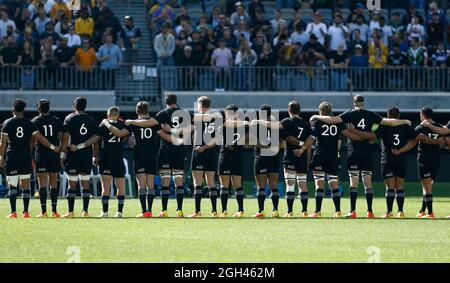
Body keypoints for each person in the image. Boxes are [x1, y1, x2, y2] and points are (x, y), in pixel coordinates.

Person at [310, 96, 412, 218]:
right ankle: (370, 211)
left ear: (354, 103)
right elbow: (389, 121)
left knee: (354, 182)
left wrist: (315, 116)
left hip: (353, 151)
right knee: (367, 182)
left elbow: (332, 120)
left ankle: (352, 211)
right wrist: (405, 121)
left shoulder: (349, 113)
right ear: (363, 103)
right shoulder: (370, 114)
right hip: (367, 152)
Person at [349, 107, 442, 218]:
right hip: (401, 159)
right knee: (400, 187)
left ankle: (389, 212)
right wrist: (435, 141)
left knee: (390, 187)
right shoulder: (405, 126)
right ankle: (400, 211)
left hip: (387, 159)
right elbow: (419, 137)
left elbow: (371, 137)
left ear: (388, 116)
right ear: (398, 116)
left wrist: (354, 131)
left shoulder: (384, 126)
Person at [126, 93, 192, 218]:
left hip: (165, 151)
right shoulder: (185, 113)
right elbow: (192, 128)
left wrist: (131, 121)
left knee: (165, 182)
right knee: (179, 181)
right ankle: (179, 210)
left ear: (165, 102)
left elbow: (150, 124)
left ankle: (164, 210)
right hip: (180, 151)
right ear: (176, 101)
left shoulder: (162, 114)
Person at [309, 102, 373, 218]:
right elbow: (349, 136)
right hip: (333, 156)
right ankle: (338, 211)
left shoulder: (316, 121)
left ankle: (317, 211)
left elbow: (311, 137)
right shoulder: (338, 123)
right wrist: (364, 137)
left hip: (319, 155)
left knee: (319, 184)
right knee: (333, 183)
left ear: (320, 111)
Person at [253, 101, 315, 218]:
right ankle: (304, 211)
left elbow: (275, 127)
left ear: (288, 109)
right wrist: (306, 157)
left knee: (290, 184)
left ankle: (289, 212)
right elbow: (310, 141)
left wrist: (256, 121)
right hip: (301, 157)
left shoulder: (286, 122)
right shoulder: (306, 124)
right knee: (302, 184)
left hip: (291, 156)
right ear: (299, 110)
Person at [0, 99, 59, 218]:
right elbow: (40, 138)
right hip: (25, 157)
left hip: (12, 156)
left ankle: (13, 212)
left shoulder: (7, 123)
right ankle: (26, 212)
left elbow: (3, 143)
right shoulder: (29, 123)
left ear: (13, 110)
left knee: (12, 185)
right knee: (25, 185)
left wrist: (1, 156)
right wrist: (53, 146)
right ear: (24, 110)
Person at [394, 107, 445, 219]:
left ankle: (430, 213)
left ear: (422, 115)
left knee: (426, 187)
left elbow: (412, 143)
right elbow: (442, 144)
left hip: (424, 159)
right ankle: (422, 211)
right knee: (428, 186)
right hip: (436, 160)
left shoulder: (420, 127)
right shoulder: (440, 127)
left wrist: (399, 151)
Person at [60, 97, 100, 218]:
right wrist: (94, 155)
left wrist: (62, 155)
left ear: (74, 106)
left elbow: (65, 139)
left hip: (73, 156)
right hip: (86, 156)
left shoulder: (69, 118)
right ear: (85, 106)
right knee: (85, 183)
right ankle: (85, 211)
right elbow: (97, 137)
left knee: (71, 184)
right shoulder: (91, 120)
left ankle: (70, 212)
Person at [125, 102, 160, 218]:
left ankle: (144, 211)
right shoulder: (154, 121)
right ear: (148, 110)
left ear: (137, 111)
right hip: (151, 155)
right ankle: (149, 211)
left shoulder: (132, 124)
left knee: (141, 185)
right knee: (150, 185)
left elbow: (130, 143)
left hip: (139, 155)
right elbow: (152, 123)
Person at [188, 96, 220, 218]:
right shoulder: (216, 117)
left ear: (200, 105)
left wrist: (203, 147)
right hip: (211, 153)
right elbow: (217, 139)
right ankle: (214, 211)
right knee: (211, 183)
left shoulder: (195, 118)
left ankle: (197, 212)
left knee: (197, 183)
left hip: (199, 152)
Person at [96, 107, 130, 218]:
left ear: (107, 114)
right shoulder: (122, 124)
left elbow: (96, 140)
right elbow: (125, 137)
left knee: (105, 187)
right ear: (118, 114)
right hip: (118, 158)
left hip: (106, 158)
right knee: (120, 187)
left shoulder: (103, 124)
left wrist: (95, 156)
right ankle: (119, 212)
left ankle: (105, 212)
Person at [31, 99, 63, 218]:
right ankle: (54, 211)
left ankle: (44, 212)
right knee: (54, 182)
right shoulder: (56, 120)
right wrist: (59, 148)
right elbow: (61, 136)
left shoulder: (34, 121)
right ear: (49, 109)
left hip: (41, 154)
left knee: (42, 183)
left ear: (38, 109)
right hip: (54, 154)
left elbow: (34, 138)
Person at [216, 104, 248, 218]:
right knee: (237, 185)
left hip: (225, 157)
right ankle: (241, 210)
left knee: (224, 186)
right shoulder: (243, 124)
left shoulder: (223, 124)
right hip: (237, 157)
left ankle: (224, 211)